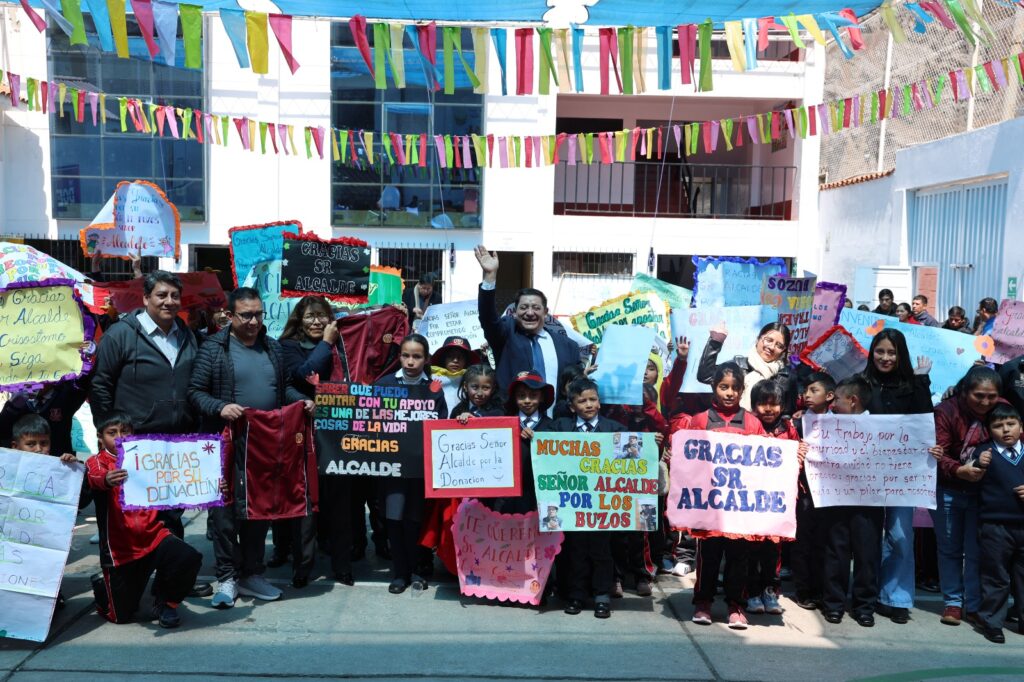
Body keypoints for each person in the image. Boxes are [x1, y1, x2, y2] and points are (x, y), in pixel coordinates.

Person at [188, 287, 314, 608]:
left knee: (260, 512)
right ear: (230, 316)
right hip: (226, 446)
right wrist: (220, 407)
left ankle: (252, 574)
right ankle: (228, 577)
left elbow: (283, 388)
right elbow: (194, 391)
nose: (254, 320)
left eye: (258, 313)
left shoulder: (272, 348)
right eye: (246, 314)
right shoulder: (214, 348)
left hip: (265, 445)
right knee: (225, 516)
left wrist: (303, 402)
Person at [89, 271, 207, 595]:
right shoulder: (121, 335)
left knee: (171, 512)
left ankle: (174, 582)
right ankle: (124, 581)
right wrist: (110, 439)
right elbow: (100, 386)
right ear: (145, 298)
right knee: (130, 517)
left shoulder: (185, 333)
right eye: (161, 295)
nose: (169, 301)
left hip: (177, 444)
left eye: (174, 296)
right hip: (135, 445)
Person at [86, 411, 203, 629]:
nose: (119, 436)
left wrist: (214, 487)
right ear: (100, 437)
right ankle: (103, 588)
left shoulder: (149, 456)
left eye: (125, 431)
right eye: (112, 433)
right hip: (121, 550)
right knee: (119, 617)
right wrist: (106, 479)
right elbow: (94, 477)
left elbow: (181, 478)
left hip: (154, 536)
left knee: (188, 557)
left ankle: (167, 603)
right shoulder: (97, 462)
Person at [278, 296, 357, 586]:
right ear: (299, 320)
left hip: (339, 435)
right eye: (310, 316)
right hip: (304, 435)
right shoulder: (288, 346)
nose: (315, 322)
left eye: (321, 316)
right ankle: (303, 566)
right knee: (306, 504)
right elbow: (302, 374)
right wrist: (326, 343)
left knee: (340, 505)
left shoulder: (345, 345)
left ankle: (343, 565)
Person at [687, 363, 766, 630]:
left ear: (743, 390)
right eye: (724, 387)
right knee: (708, 556)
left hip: (740, 510)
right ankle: (703, 602)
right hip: (709, 507)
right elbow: (689, 459)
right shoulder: (700, 420)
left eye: (735, 388)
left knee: (739, 558)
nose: (730, 393)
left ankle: (736, 606)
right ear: (713, 388)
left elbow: (767, 461)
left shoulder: (753, 423)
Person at [862, 328, 933, 624]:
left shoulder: (913, 385)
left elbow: (925, 423)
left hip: (902, 477)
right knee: (866, 538)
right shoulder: (861, 384)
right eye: (880, 351)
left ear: (900, 355)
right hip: (864, 474)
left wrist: (921, 380)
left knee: (901, 536)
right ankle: (867, 595)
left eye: (892, 352)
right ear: (872, 353)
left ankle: (897, 597)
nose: (886, 357)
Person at [541, 377, 625, 619]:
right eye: (582, 401)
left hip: (602, 506)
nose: (588, 405)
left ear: (599, 402)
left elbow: (634, 461)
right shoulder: (559, 428)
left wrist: (655, 445)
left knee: (601, 552)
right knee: (575, 551)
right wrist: (531, 436)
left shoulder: (614, 429)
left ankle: (601, 596)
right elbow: (542, 446)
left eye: (592, 399)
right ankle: (575, 595)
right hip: (570, 505)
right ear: (571, 406)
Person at [931, 367, 1004, 626]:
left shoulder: (1003, 409)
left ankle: (973, 604)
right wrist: (959, 470)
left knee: (976, 551)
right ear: (964, 391)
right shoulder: (946, 411)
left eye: (991, 396)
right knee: (949, 548)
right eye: (979, 396)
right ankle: (952, 602)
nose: (985, 402)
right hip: (948, 489)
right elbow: (938, 453)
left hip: (985, 494)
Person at [376, 334, 448, 594]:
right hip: (392, 468)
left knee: (415, 520)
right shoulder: (383, 385)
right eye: (405, 355)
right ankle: (399, 573)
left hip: (421, 470)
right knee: (394, 519)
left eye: (416, 356)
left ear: (426, 359)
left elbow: (441, 428)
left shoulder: (435, 390)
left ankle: (417, 570)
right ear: (399, 357)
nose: (410, 361)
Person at [819, 376, 884, 627]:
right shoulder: (826, 424)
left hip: (869, 503)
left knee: (867, 554)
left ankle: (864, 606)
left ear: (853, 400)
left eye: (836, 399)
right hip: (837, 498)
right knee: (836, 550)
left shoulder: (881, 428)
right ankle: (833, 604)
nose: (832, 403)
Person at [475, 245, 581, 397]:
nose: (530, 313)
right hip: (513, 418)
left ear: (545, 313)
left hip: (555, 419)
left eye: (536, 308)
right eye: (524, 307)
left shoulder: (568, 346)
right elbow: (488, 319)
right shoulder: (506, 334)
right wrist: (490, 276)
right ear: (515, 312)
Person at [11, 414, 89, 610]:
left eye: (44, 443)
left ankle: (51, 597)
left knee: (45, 565)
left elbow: (83, 500)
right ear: (15, 446)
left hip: (45, 537)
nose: (39, 449)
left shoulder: (59, 468)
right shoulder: (7, 469)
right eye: (31, 443)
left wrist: (74, 472)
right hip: (14, 537)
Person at [747, 379, 801, 616]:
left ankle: (770, 590)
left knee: (772, 549)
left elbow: (796, 454)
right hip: (749, 501)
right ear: (753, 405)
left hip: (777, 502)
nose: (769, 409)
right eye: (763, 404)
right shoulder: (747, 425)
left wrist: (800, 453)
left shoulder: (788, 428)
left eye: (774, 404)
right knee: (750, 549)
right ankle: (751, 592)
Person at [973, 403, 1024, 644]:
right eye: (998, 426)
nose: (1005, 430)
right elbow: (970, 473)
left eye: (1011, 424)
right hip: (995, 527)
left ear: (1020, 426)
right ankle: (992, 622)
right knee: (996, 576)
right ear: (988, 429)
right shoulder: (984, 453)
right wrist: (977, 463)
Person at [791, 372, 836, 611]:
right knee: (803, 542)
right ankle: (803, 589)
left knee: (825, 542)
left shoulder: (842, 423)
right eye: (805, 391)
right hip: (804, 491)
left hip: (830, 494)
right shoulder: (796, 422)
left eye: (814, 391)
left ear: (830, 396)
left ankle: (822, 589)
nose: (807, 395)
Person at [484, 371, 554, 515]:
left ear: (541, 398)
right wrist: (467, 419)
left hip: (538, 496)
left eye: (533, 395)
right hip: (505, 497)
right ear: (514, 399)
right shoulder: (502, 423)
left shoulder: (552, 427)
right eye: (521, 396)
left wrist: (540, 441)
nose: (527, 400)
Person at [697, 322, 795, 413]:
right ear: (758, 339)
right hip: (733, 425)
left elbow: (787, 413)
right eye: (768, 340)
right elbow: (705, 376)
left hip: (765, 431)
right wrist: (715, 342)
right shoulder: (738, 365)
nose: (772, 347)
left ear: (783, 350)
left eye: (779, 346)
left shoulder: (785, 376)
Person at [430, 336, 481, 416]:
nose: (455, 360)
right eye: (451, 356)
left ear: (466, 360)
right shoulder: (429, 378)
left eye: (460, 357)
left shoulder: (476, 379)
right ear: (444, 359)